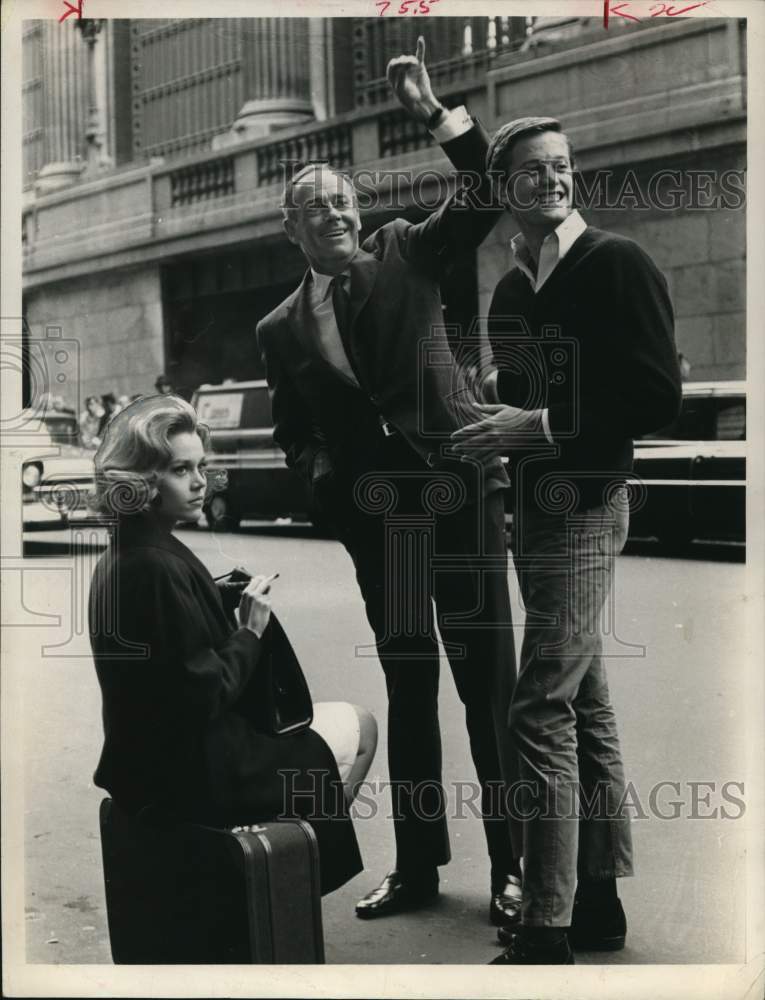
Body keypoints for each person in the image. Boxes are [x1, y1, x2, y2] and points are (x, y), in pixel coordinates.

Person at [257, 38, 522, 926]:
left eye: (342, 200)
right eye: (313, 208)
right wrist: (332, 491)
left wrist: (435, 114)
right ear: (290, 229)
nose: (333, 213)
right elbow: (296, 434)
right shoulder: (279, 328)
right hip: (384, 528)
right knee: (409, 692)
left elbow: (485, 191)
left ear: (358, 209)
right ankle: (417, 868)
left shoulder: (410, 251)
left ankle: (514, 871)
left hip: (459, 496)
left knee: (486, 687)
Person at [442, 115, 682, 961]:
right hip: (534, 515)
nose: (552, 179)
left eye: (563, 166)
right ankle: (600, 901)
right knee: (582, 700)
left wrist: (532, 423)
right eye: (534, 170)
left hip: (585, 506)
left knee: (538, 700)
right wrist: (499, 423)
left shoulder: (617, 263)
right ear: (504, 188)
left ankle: (546, 924)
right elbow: (517, 403)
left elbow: (654, 398)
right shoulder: (510, 290)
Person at [88, 394, 376, 896]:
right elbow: (202, 693)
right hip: (197, 772)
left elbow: (166, 665)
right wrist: (250, 630)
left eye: (201, 466)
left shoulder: (127, 553)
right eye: (181, 469)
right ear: (142, 483)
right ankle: (282, 875)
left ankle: (282, 867)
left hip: (149, 765)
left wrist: (216, 606)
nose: (201, 482)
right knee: (360, 727)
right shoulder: (155, 565)